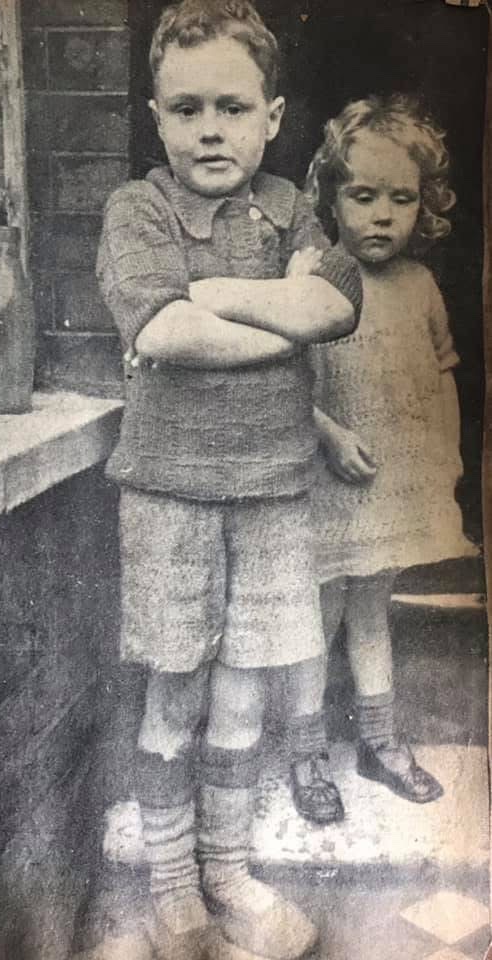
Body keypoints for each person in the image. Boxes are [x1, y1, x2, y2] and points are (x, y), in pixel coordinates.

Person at [96, 2, 362, 958]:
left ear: (274, 114)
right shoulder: (140, 209)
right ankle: (173, 886)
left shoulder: (293, 208)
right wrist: (264, 322)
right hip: (168, 491)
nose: (211, 128)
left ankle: (229, 869)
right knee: (176, 687)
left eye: (233, 107)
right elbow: (162, 331)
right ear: (158, 117)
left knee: (245, 690)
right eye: (187, 107)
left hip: (274, 494)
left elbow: (332, 304)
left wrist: (208, 292)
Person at [287, 93, 477, 825]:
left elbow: (442, 373)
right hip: (326, 485)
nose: (381, 215)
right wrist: (327, 434)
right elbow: (284, 385)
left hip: (391, 486)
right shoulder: (314, 276)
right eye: (362, 195)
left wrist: (448, 462)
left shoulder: (422, 286)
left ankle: (380, 741)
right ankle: (305, 753)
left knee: (374, 611)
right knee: (317, 616)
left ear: (423, 207)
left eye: (401, 199)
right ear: (331, 197)